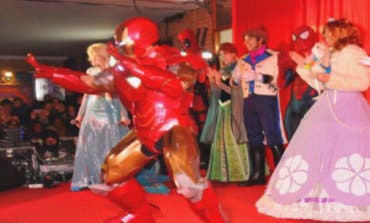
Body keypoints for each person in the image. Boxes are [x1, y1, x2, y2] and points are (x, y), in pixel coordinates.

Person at [26, 17, 225, 223]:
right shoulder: (122, 68)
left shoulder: (176, 59)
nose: (120, 44)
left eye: (125, 39)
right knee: (112, 172)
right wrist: (52, 73)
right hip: (145, 131)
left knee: (188, 180)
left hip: (175, 127)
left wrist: (130, 65)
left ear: (140, 38)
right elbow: (89, 82)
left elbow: (173, 86)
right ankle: (140, 214)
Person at [256, 18, 370, 222]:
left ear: (340, 33)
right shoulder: (329, 53)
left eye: (328, 33)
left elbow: (363, 82)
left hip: (348, 108)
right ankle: (318, 194)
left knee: (346, 150)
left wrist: (330, 79)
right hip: (328, 105)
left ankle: (349, 197)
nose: (324, 37)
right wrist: (306, 65)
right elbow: (319, 83)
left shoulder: (356, 53)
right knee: (319, 147)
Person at [70, 43, 130, 191]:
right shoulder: (91, 71)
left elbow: (122, 95)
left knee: (112, 144)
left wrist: (124, 115)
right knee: (91, 144)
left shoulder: (116, 71)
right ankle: (91, 178)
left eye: (92, 56)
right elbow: (86, 94)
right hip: (93, 111)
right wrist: (79, 115)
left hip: (112, 109)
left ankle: (114, 177)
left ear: (98, 55)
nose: (90, 59)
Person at [231, 28, 285, 186]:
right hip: (249, 100)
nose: (246, 43)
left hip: (267, 99)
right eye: (245, 40)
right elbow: (232, 81)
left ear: (260, 40)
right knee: (253, 136)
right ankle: (257, 175)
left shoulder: (273, 56)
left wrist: (258, 77)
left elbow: (278, 79)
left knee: (272, 135)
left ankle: (282, 178)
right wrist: (236, 79)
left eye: (250, 39)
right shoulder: (242, 60)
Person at [201, 42, 250, 182]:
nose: (223, 57)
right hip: (223, 109)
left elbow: (237, 92)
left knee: (234, 139)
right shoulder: (222, 71)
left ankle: (241, 171)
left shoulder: (240, 67)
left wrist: (220, 82)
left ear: (233, 53)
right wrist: (212, 80)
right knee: (221, 142)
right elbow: (217, 94)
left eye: (225, 54)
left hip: (235, 109)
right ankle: (222, 173)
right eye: (221, 55)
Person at [278, 25, 318, 140]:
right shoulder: (293, 57)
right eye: (296, 37)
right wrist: (282, 68)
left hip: (313, 104)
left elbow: (322, 79)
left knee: (312, 141)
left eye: (302, 36)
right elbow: (282, 84)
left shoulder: (317, 54)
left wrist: (305, 64)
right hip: (295, 107)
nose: (299, 41)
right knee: (294, 144)